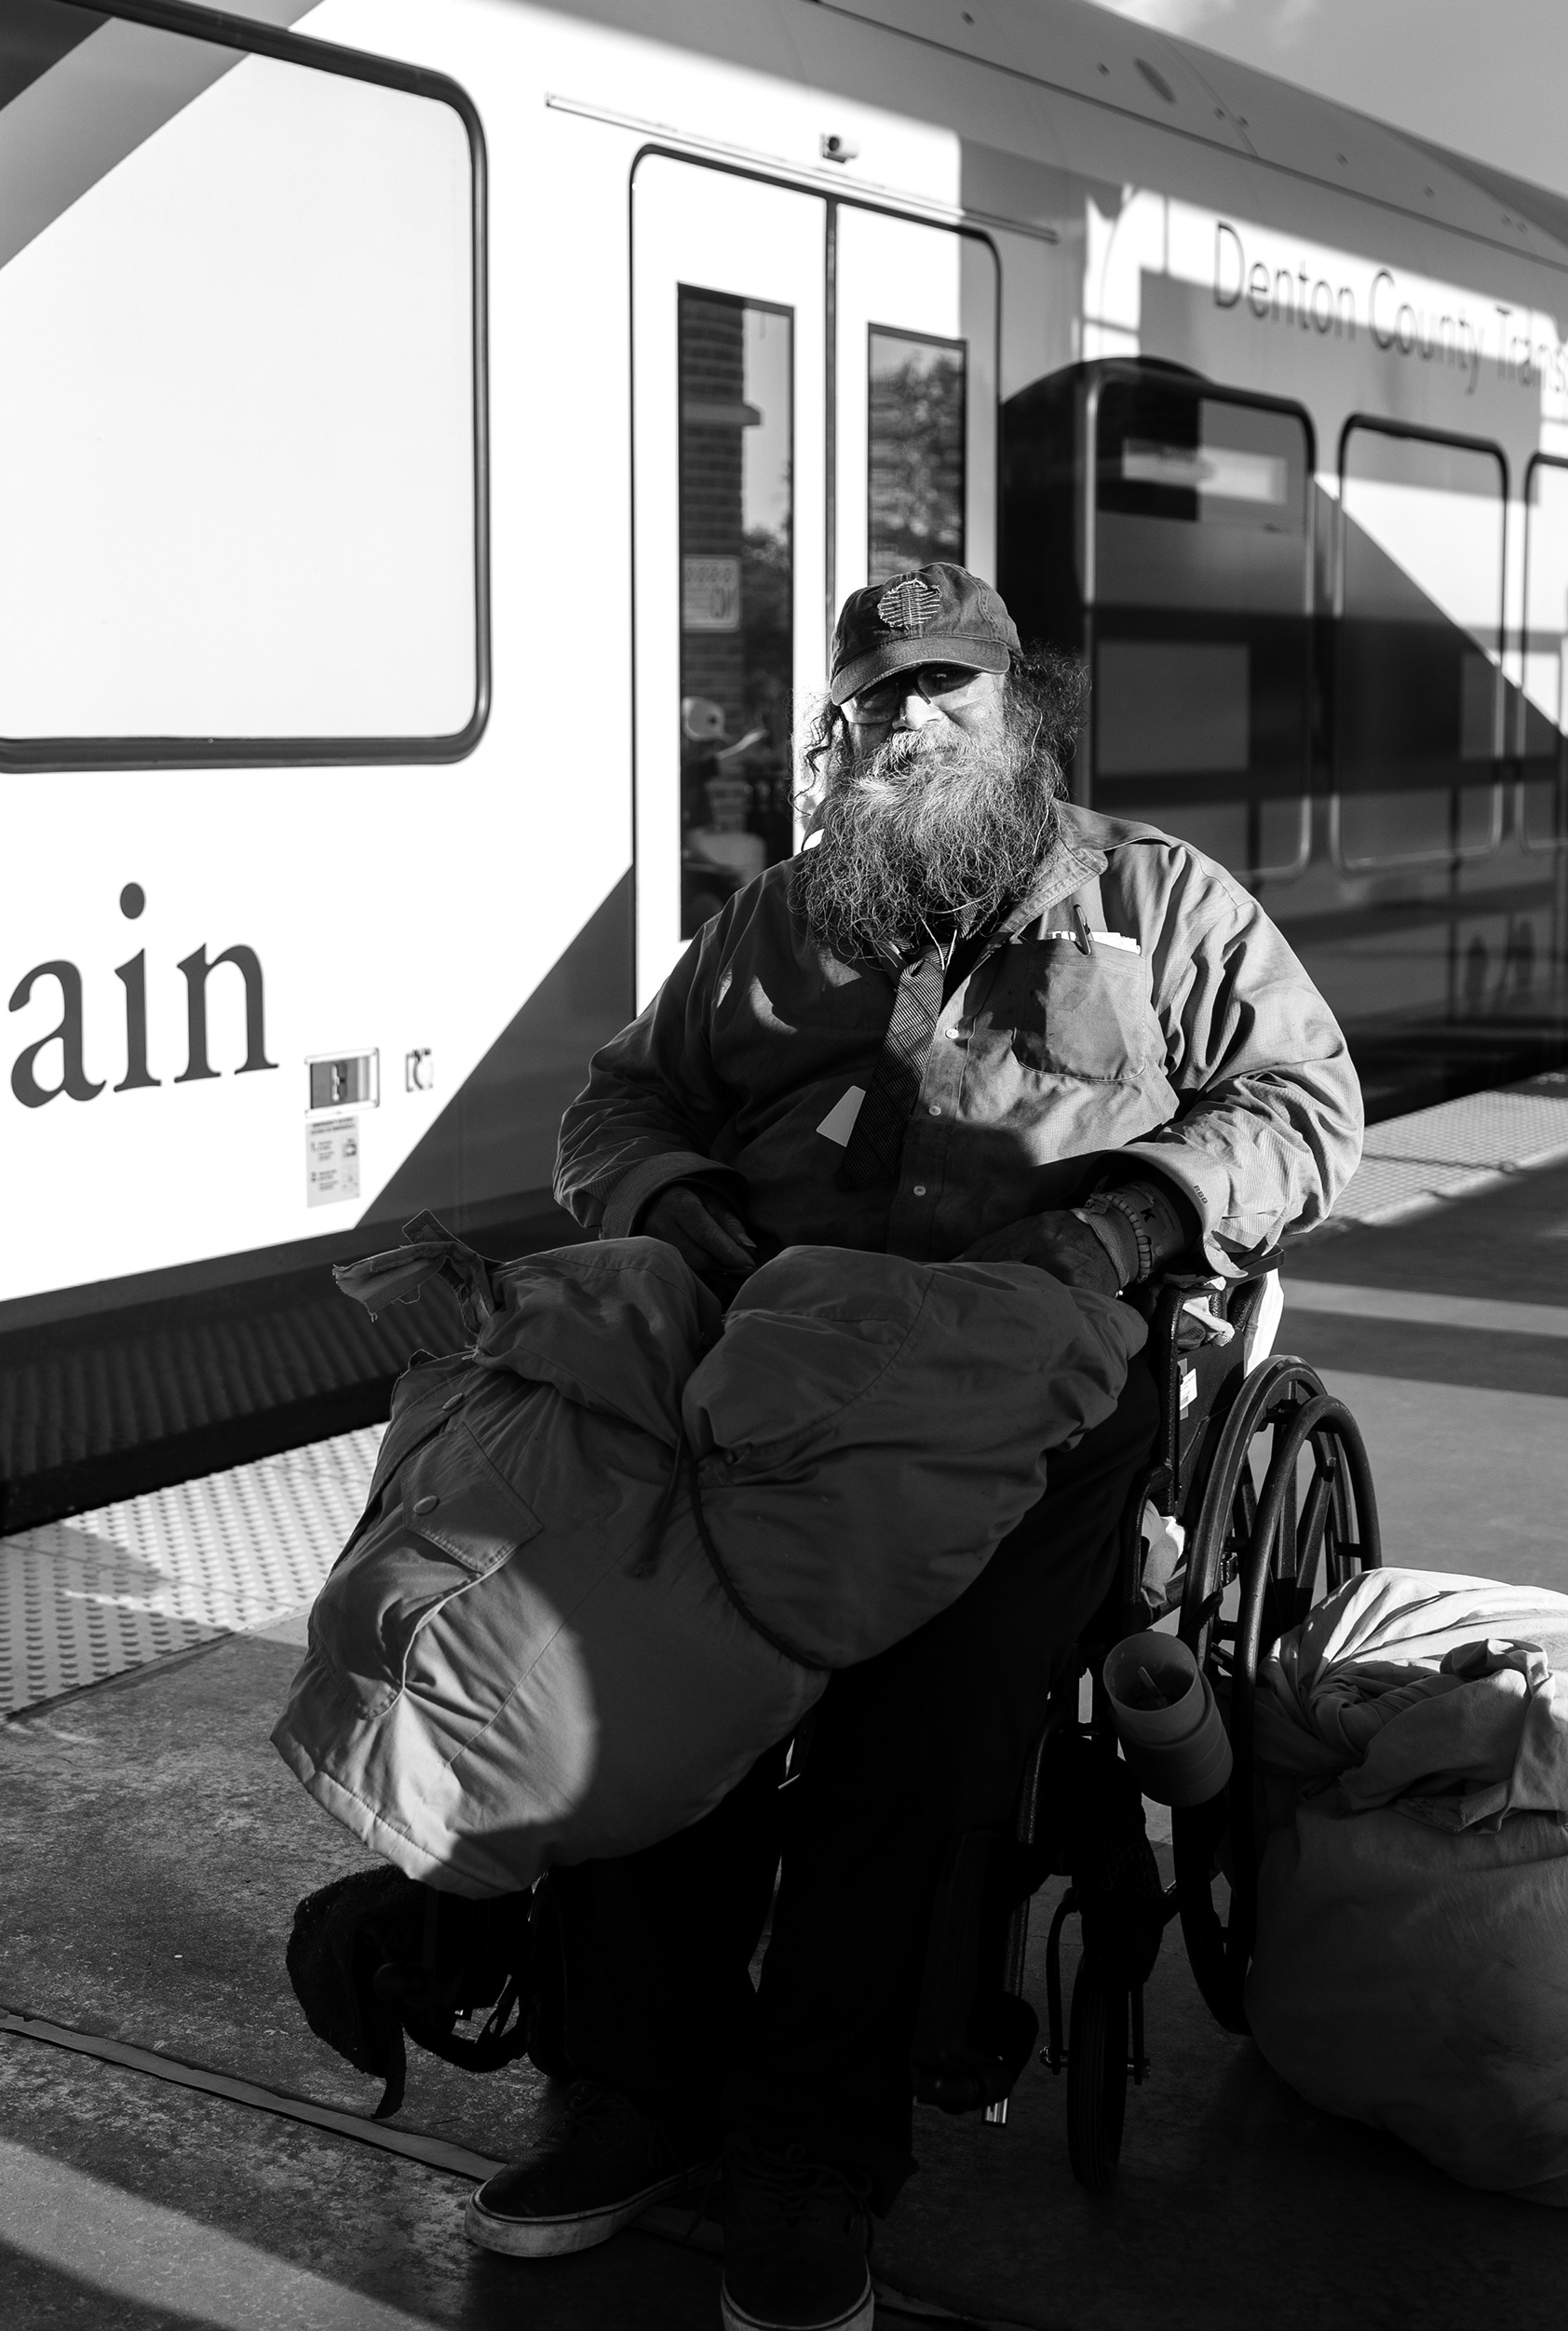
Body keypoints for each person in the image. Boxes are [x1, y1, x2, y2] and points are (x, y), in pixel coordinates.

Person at [474, 561, 1361, 2331]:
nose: (911, 723)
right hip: (779, 1364)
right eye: (880, 696)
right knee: (608, 1643)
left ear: (1015, 713)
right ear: (839, 730)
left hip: (1032, 1379)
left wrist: (1128, 1216)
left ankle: (812, 2151)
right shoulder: (785, 917)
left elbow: (1307, 1112)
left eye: (948, 690)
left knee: (924, 1707)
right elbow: (615, 1102)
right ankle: (639, 2096)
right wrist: (679, 1191)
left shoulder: (1160, 901)